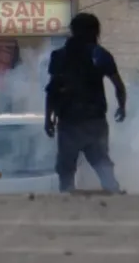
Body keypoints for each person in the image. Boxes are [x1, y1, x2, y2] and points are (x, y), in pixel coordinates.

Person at [45, 13, 126, 193]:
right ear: (95, 31)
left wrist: (48, 119)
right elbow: (118, 86)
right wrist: (122, 107)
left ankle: (66, 201)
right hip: (93, 120)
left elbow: (52, 90)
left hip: (69, 122)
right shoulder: (100, 54)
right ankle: (114, 195)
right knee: (101, 162)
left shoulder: (59, 56)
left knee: (67, 169)